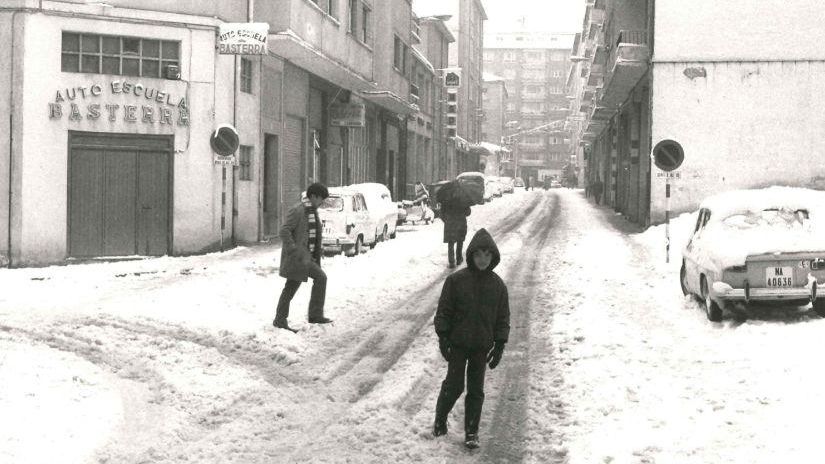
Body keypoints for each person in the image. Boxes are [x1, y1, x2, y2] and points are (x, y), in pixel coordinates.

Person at [432, 228, 510, 449]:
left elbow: (503, 318)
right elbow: (444, 311)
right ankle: (440, 420)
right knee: (454, 385)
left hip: (481, 347)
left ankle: (472, 432)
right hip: (458, 344)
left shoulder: (498, 286)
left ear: (493, 257)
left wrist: (500, 344)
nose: (483, 259)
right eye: (478, 255)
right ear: (471, 255)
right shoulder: (456, 281)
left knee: (476, 390)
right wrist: (443, 337)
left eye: (487, 255)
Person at [273, 183, 333, 332]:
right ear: (313, 196)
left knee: (298, 285)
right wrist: (293, 249)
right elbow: (284, 230)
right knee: (298, 285)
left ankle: (311, 315)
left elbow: (311, 233)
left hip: (306, 257)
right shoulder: (298, 210)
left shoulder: (311, 211)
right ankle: (283, 319)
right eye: (321, 199)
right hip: (298, 257)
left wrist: (317, 249)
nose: (322, 202)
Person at [440, 181, 471, 268]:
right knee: (460, 241)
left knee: (451, 242)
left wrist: (446, 220)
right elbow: (468, 212)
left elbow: (441, 213)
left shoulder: (445, 198)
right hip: (461, 222)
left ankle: (451, 262)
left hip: (450, 223)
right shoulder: (463, 197)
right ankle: (459, 259)